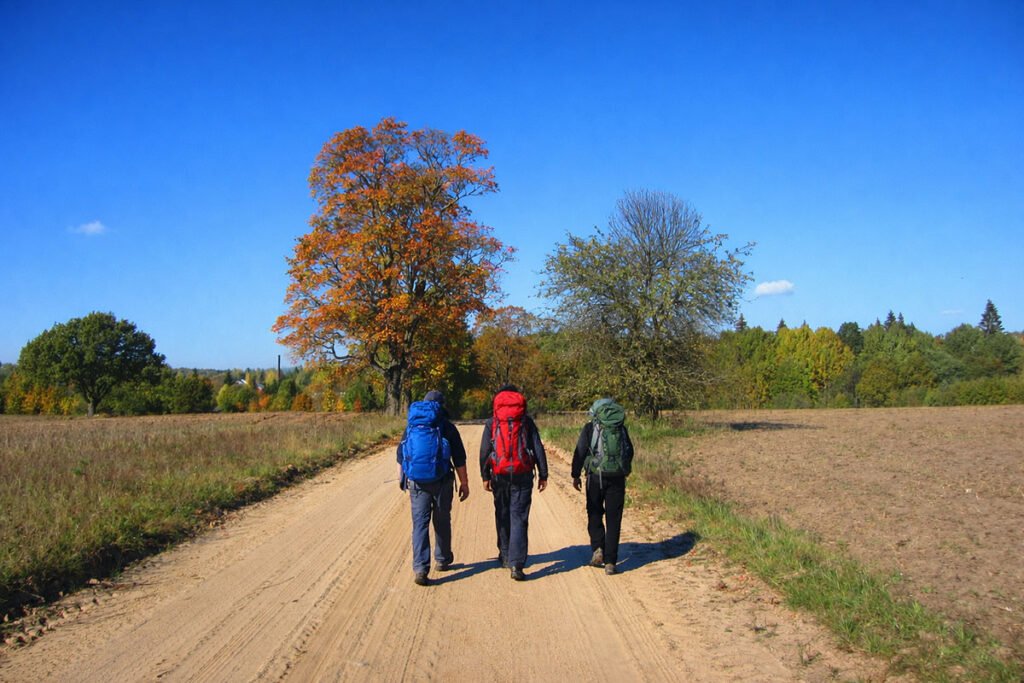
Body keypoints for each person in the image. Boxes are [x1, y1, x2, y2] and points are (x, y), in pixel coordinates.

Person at [397, 390, 469, 586]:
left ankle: (420, 568)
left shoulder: (412, 426)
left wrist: (402, 479)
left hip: (417, 483)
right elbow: (459, 458)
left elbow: (401, 454)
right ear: (441, 406)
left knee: (419, 524)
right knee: (442, 520)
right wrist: (464, 483)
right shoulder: (447, 427)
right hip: (442, 481)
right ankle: (443, 559)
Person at [479, 384, 548, 581]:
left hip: (499, 474)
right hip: (523, 474)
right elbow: (538, 447)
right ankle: (516, 565)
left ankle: (505, 554)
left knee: (502, 513)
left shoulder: (492, 422)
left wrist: (485, 475)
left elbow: (485, 450)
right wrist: (543, 474)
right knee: (519, 517)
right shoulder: (526, 422)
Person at [571, 397, 634, 575]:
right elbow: (629, 450)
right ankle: (610, 562)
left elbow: (580, 451)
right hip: (617, 477)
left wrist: (575, 475)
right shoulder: (620, 427)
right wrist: (624, 469)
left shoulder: (590, 428)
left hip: (595, 477)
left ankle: (598, 548)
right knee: (614, 519)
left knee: (595, 512)